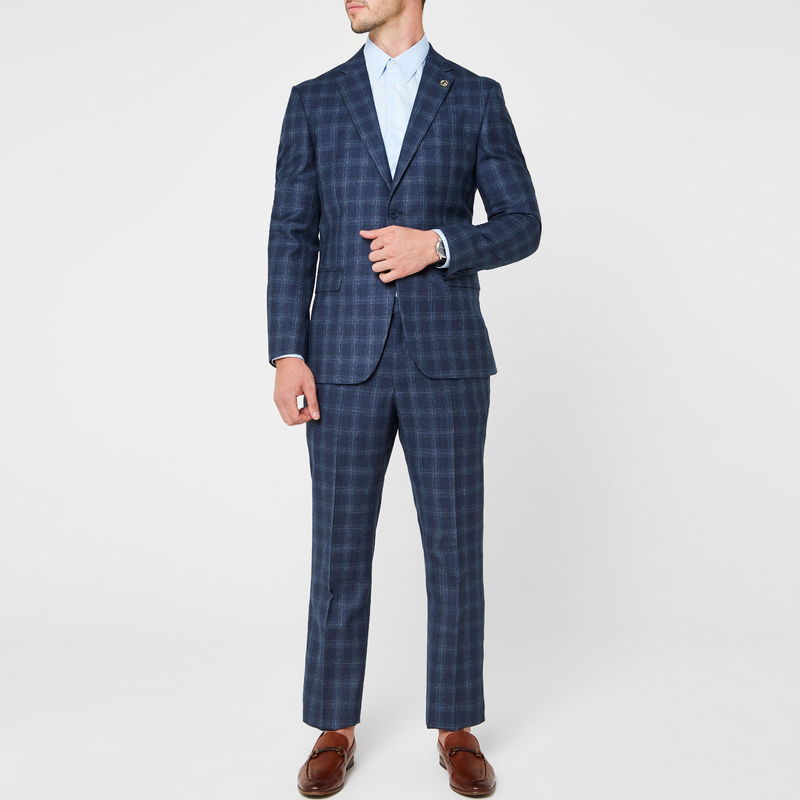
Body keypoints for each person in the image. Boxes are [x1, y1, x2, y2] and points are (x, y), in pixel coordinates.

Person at [267, 1, 541, 795]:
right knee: (338, 550)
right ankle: (334, 725)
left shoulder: (475, 97)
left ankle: (457, 726)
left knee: (454, 549)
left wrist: (440, 245)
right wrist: (288, 352)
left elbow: (522, 223)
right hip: (339, 360)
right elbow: (292, 231)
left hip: (446, 360)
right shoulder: (315, 101)